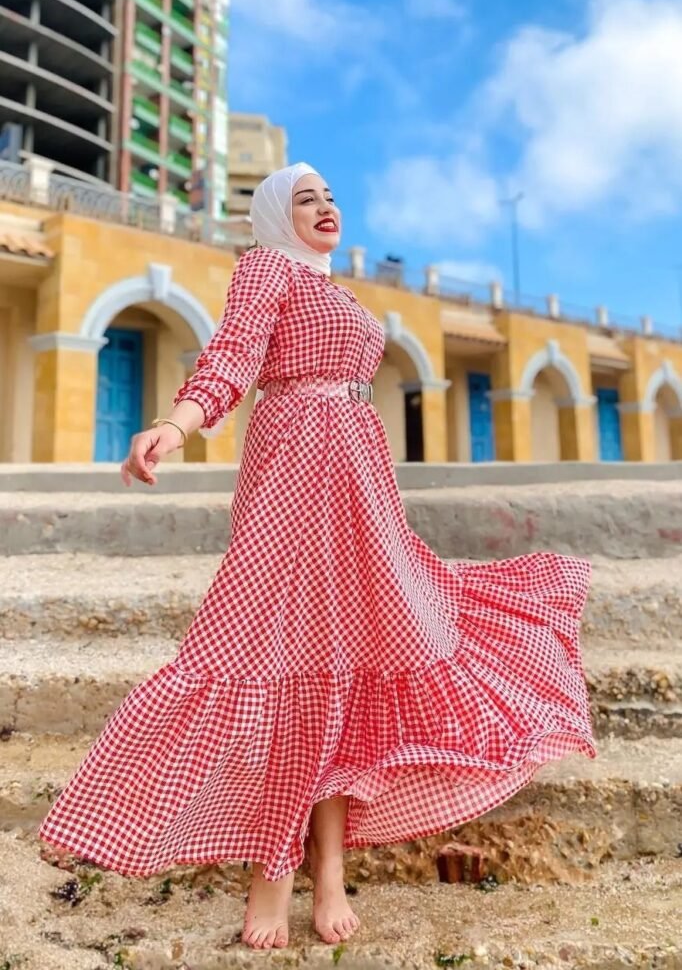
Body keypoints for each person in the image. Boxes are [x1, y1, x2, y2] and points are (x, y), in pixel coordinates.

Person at [38, 162, 598, 952]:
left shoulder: (335, 291)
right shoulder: (267, 268)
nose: (326, 208)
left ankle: (328, 869)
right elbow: (231, 359)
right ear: (275, 216)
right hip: (293, 465)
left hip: (359, 477)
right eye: (306, 199)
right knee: (275, 658)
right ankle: (274, 870)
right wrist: (177, 424)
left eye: (331, 197)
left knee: (349, 665)